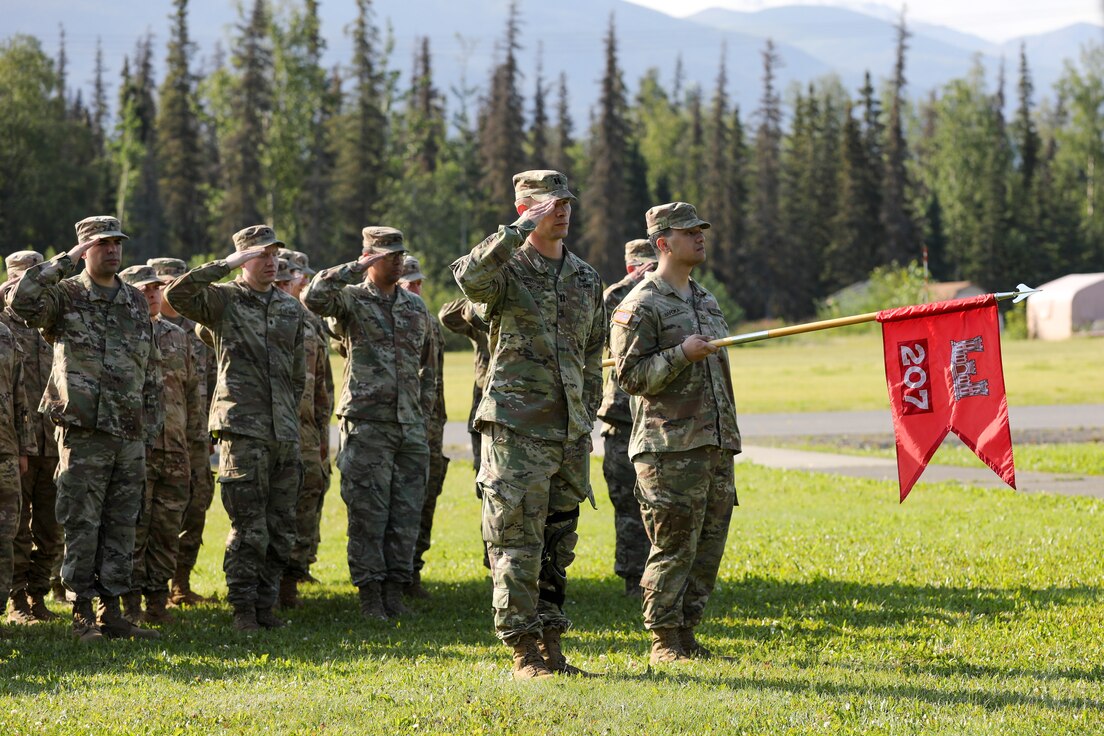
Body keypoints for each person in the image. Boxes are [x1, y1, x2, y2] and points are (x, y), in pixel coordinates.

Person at [451, 169, 605, 680]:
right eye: (548, 203)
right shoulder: (507, 269)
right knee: (516, 538)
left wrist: (587, 411)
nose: (561, 210)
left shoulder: (585, 277)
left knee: (559, 540)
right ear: (525, 208)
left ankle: (552, 643)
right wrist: (515, 231)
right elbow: (468, 279)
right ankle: (522, 651)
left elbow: (590, 351)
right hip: (516, 428)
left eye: (565, 202)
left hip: (567, 431)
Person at [7, 215, 163, 643]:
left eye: (117, 243)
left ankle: (111, 610)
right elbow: (20, 303)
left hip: (128, 431)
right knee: (81, 521)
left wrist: (151, 427)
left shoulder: (133, 300)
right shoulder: (66, 295)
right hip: (83, 430)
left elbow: (148, 366)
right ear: (84, 250)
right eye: (102, 244)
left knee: (122, 522)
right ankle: (81, 612)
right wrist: (65, 261)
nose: (112, 250)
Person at [608, 202, 741, 665]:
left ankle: (686, 632)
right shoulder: (641, 303)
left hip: (714, 441)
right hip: (669, 448)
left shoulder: (705, 298)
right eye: (689, 232)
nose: (700, 237)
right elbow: (630, 377)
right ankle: (663, 640)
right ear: (663, 242)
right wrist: (681, 354)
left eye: (701, 229)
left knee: (707, 546)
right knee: (672, 545)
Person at [164, 225, 306, 632]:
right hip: (242, 430)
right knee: (249, 528)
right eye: (260, 255)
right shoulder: (223, 301)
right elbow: (177, 296)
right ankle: (243, 610)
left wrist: (289, 420)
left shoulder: (290, 309)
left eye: (273, 254)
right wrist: (224, 266)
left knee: (281, 527)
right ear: (244, 259)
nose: (270, 262)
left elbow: (297, 376)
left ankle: (266, 606)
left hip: (284, 433)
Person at [303, 227, 436, 621]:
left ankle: (395, 591)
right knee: (368, 515)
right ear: (369, 257)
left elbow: (428, 367)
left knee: (406, 514)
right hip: (366, 424)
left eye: (400, 253)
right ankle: (371, 597)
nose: (397, 260)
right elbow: (314, 296)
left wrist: (422, 415)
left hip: (409, 427)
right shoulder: (352, 300)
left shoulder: (415, 309)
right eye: (388, 254)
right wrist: (353, 268)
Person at [119, 265, 200, 625]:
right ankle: (130, 606)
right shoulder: (121, 332)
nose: (152, 294)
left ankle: (158, 602)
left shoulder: (177, 336)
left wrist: (195, 443)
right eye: (144, 289)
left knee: (167, 530)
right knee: (135, 528)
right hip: (138, 448)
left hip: (176, 449)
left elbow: (192, 392)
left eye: (156, 288)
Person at [147, 257, 218, 606]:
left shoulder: (199, 330)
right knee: (152, 515)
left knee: (196, 507)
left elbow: (215, 381)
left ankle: (181, 582)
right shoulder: (145, 329)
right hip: (155, 438)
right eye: (161, 284)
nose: (168, 290)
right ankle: (148, 589)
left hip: (196, 437)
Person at [1, 252, 62, 626]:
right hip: (18, 444)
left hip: (54, 438)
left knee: (52, 524)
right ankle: (17, 600)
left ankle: (39, 594)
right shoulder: (4, 326)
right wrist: (22, 444)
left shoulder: (50, 318)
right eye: (19, 277)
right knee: (16, 529)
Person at [597, 239, 658, 598]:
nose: (647, 272)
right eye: (641, 267)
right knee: (627, 502)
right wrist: (633, 284)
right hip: (621, 414)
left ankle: (661, 576)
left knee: (660, 500)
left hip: (657, 411)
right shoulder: (613, 296)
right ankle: (632, 578)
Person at [273, 256, 332, 608]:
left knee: (306, 502)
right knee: (274, 506)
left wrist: (324, 436)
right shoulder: (262, 319)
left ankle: (291, 580)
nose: (290, 286)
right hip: (273, 426)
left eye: (291, 281)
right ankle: (268, 585)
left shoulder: (311, 322)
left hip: (308, 429)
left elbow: (323, 382)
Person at [397, 255, 448, 599]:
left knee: (425, 502)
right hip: (403, 426)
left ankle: (412, 571)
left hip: (433, 428)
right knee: (399, 504)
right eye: (409, 283)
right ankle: (394, 577)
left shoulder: (429, 320)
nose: (416, 288)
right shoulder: (392, 318)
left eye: (419, 282)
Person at [0, 302, 32, 638]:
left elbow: (19, 397)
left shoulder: (6, 336)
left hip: (6, 452)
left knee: (5, 536)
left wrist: (24, 448)